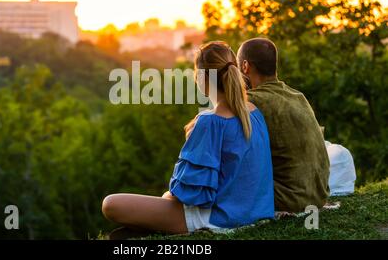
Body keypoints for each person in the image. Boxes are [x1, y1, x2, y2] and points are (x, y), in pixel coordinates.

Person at [102, 41, 274, 237]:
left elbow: (192, 195)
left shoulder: (210, 122)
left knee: (111, 204)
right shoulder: (255, 114)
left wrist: (167, 198)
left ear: (201, 78)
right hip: (255, 214)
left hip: (220, 219)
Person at [237, 37, 330, 212]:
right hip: (318, 195)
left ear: (245, 67)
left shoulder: (251, 101)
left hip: (290, 199)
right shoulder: (298, 96)